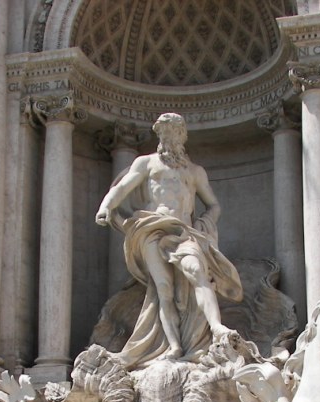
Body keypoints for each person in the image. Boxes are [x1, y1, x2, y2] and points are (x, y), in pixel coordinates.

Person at [95, 112, 243, 369]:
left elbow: (214, 205)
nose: (169, 137)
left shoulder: (195, 172)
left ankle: (216, 327)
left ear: (182, 136)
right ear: (159, 135)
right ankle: (174, 345)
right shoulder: (146, 163)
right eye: (164, 132)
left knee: (198, 272)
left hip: (184, 231)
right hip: (153, 229)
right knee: (162, 288)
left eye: (174, 132)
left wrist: (204, 223)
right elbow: (121, 188)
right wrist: (106, 206)